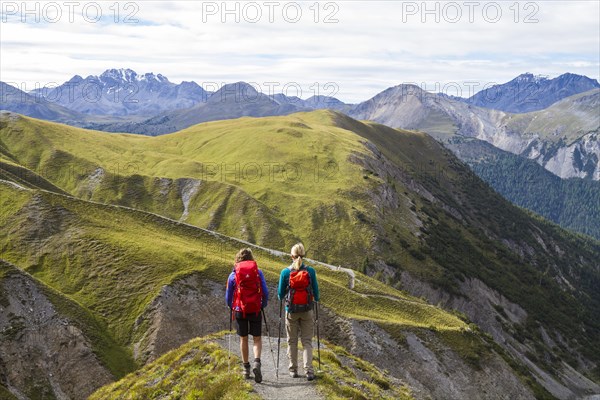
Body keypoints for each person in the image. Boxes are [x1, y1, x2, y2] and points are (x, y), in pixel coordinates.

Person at [277, 243, 320, 381]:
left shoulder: (285, 272)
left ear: (292, 256)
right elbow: (316, 293)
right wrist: (315, 299)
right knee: (307, 341)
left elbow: (280, 294)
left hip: (291, 311)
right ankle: (309, 371)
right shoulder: (311, 271)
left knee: (292, 341)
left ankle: (293, 370)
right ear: (303, 255)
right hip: (307, 310)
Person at [225, 248, 269, 383]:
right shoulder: (258, 272)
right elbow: (265, 292)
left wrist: (232, 307)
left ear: (237, 259)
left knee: (243, 339)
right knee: (256, 339)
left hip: (239, 310)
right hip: (255, 309)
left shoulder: (233, 275)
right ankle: (257, 362)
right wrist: (262, 305)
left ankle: (246, 368)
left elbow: (228, 296)